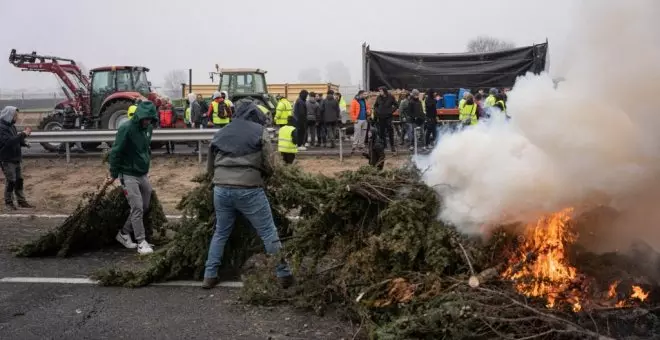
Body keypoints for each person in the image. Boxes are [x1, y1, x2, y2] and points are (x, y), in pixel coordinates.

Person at [203, 99, 294, 289]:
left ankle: (209, 274)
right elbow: (269, 161)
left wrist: (217, 179)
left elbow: (210, 166)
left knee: (221, 231)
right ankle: (284, 274)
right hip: (249, 189)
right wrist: (268, 176)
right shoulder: (259, 131)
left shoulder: (221, 132)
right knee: (268, 231)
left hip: (220, 189)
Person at [107, 101, 159, 255]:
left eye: (150, 119)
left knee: (145, 205)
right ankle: (141, 242)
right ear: (139, 116)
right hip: (128, 173)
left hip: (141, 173)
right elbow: (116, 152)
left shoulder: (148, 128)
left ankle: (123, 233)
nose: (148, 122)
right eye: (145, 118)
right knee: (136, 207)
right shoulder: (126, 128)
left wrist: (145, 164)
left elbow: (144, 148)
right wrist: (114, 174)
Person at [0, 107, 33, 210]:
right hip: (7, 159)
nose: (17, 117)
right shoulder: (1, 128)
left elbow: (15, 140)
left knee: (19, 180)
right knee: (11, 181)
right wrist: (23, 134)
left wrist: (24, 142)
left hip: (16, 157)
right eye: (15, 115)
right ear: (9, 115)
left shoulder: (11, 126)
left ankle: (21, 201)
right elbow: (9, 142)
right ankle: (9, 203)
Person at [373, 86, 398, 153]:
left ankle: (392, 146)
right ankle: (383, 145)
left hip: (388, 117)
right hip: (380, 117)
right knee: (381, 132)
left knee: (390, 131)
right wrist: (377, 110)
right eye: (379, 91)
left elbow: (396, 105)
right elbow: (375, 106)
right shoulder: (378, 98)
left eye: (381, 91)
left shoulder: (391, 97)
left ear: (384, 91)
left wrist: (391, 111)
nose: (379, 92)